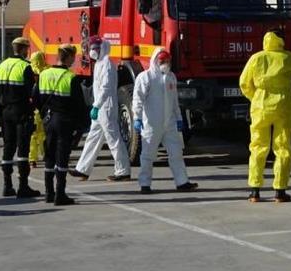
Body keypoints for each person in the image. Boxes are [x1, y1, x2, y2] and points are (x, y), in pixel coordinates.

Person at [240, 30, 291, 203]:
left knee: (258, 146)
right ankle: (280, 191)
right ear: (281, 41)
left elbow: (244, 83)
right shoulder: (286, 57)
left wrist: (256, 98)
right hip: (282, 105)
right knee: (282, 147)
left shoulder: (256, 58)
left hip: (260, 105)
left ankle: (254, 191)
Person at [132, 48, 197, 194]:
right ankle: (145, 184)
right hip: (151, 124)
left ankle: (182, 182)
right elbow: (138, 99)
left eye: (167, 61)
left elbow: (174, 101)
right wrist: (137, 117)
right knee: (148, 155)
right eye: (162, 61)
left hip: (169, 124)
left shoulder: (171, 77)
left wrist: (179, 118)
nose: (165, 64)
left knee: (176, 153)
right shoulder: (145, 77)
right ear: (155, 61)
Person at [71, 37, 131, 182]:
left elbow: (106, 88)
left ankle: (123, 171)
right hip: (100, 107)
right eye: (91, 48)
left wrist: (96, 106)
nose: (92, 51)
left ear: (102, 48)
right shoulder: (99, 64)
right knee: (93, 138)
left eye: (94, 48)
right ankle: (82, 169)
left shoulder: (108, 65)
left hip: (106, 107)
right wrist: (96, 106)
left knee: (113, 139)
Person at [35, 44, 87, 205]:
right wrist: (82, 125)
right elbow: (79, 104)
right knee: (62, 157)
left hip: (48, 121)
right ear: (69, 57)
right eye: (74, 57)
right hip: (65, 121)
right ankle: (60, 194)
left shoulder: (43, 74)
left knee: (49, 156)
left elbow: (36, 99)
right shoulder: (70, 77)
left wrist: (44, 115)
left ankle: (48, 193)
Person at [0, 37, 40, 198]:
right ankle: (23, 186)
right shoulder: (25, 67)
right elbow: (31, 92)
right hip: (21, 112)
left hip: (5, 112)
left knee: (8, 147)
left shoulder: (1, 65)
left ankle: (7, 186)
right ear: (24, 49)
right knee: (22, 149)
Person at [28, 51, 49, 169]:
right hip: (45, 107)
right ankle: (45, 154)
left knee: (33, 135)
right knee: (44, 134)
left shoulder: (29, 70)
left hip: (33, 107)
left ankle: (32, 159)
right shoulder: (47, 71)